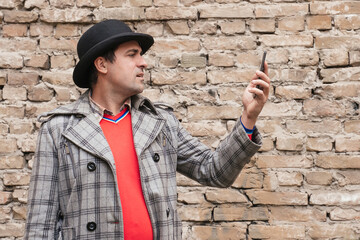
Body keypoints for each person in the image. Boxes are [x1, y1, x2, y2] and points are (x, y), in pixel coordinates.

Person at [25, 19, 270, 239]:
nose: (143, 63)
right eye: (132, 55)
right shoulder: (60, 129)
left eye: (141, 54)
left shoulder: (160, 122)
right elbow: (40, 226)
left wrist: (248, 117)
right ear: (102, 64)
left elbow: (214, 171)